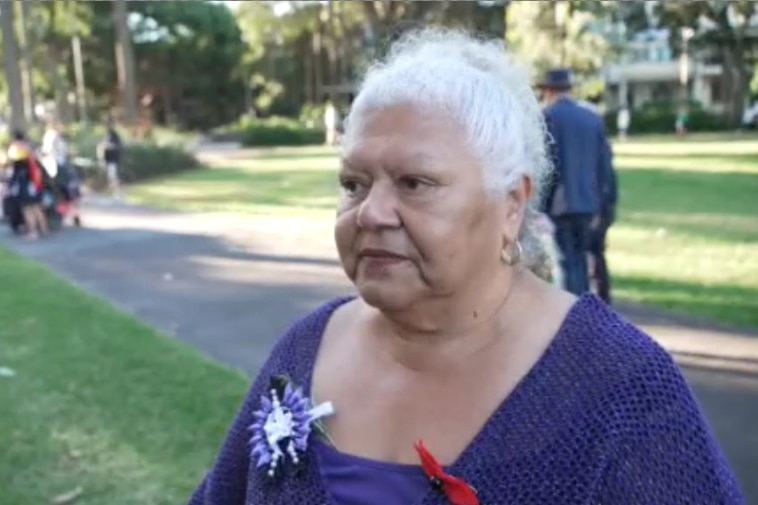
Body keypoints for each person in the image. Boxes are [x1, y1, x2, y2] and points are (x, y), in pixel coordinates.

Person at [188, 28, 744, 505]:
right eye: (353, 184)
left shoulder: (623, 386)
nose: (372, 212)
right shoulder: (305, 349)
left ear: (511, 206)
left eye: (416, 183)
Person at [538, 68, 614, 296]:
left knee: (568, 262)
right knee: (585, 260)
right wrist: (606, 204)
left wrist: (541, 206)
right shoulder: (592, 118)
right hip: (590, 202)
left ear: (549, 91)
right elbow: (605, 167)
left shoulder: (548, 117)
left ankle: (577, 314)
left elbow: (548, 166)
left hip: (562, 204)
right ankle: (591, 309)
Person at [6, 130, 49, 239]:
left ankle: (33, 232)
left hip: (25, 183)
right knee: (36, 207)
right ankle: (44, 229)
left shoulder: (16, 150)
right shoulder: (30, 149)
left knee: (27, 209)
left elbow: (15, 168)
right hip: (35, 183)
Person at [97, 120, 123, 196]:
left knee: (113, 176)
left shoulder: (115, 135)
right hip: (107, 159)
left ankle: (117, 192)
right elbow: (102, 145)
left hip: (113, 159)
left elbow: (116, 146)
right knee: (110, 176)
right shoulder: (107, 135)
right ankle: (112, 191)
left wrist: (107, 145)